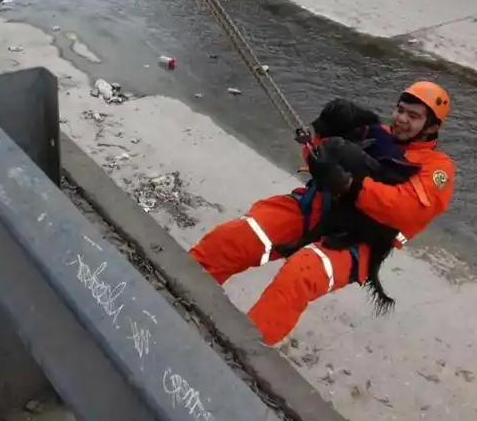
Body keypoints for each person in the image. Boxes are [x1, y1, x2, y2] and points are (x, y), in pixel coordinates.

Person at [189, 82, 454, 345]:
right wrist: (319, 134)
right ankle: (184, 288)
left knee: (298, 276)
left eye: (413, 116)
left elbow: (404, 210)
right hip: (316, 207)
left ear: (431, 127)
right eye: (400, 110)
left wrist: (351, 186)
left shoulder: (436, 169)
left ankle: (246, 348)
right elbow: (318, 156)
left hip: (358, 239)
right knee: (234, 238)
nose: (401, 119)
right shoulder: (374, 133)